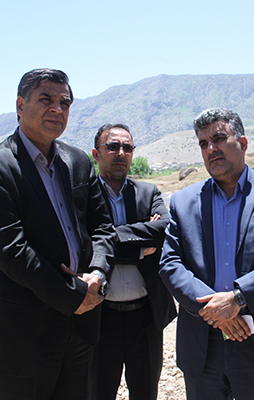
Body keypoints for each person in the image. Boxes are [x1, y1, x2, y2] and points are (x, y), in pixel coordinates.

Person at [0, 69, 116, 399]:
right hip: (24, 332)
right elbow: (11, 251)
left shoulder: (78, 162)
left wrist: (97, 274)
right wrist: (74, 294)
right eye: (45, 99)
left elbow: (102, 229)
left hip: (80, 326)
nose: (57, 109)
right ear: (21, 105)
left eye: (65, 103)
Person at [159, 108, 254, 400]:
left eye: (219, 138)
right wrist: (215, 310)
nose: (211, 148)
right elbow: (170, 264)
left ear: (242, 143)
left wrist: (237, 299)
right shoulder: (183, 201)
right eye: (203, 143)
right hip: (203, 343)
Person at [89, 124, 177, 400]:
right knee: (98, 393)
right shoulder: (83, 196)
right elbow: (84, 245)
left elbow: (164, 229)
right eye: (113, 146)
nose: (120, 153)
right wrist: (139, 249)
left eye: (127, 147)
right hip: (99, 318)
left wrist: (107, 235)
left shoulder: (148, 193)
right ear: (96, 153)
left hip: (145, 317)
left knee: (146, 393)